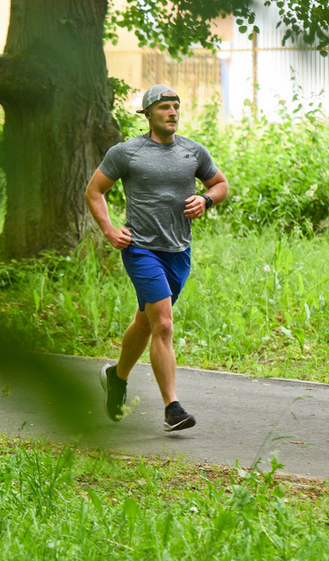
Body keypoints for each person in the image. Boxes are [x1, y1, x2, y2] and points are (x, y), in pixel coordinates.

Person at [84, 84, 229, 432]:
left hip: (179, 251)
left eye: (176, 106)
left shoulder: (193, 152)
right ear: (148, 114)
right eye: (164, 107)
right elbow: (94, 191)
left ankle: (116, 377)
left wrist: (206, 200)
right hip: (141, 249)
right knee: (163, 323)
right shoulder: (127, 153)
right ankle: (172, 408)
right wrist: (109, 230)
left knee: (147, 322)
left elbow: (220, 184)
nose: (173, 112)